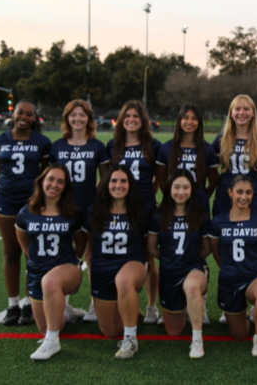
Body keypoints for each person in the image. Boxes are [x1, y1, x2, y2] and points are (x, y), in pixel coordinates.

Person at [0, 99, 51, 326]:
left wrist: (37, 198)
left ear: (35, 118)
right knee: (11, 252)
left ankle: (28, 303)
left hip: (32, 203)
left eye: (29, 114)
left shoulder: (42, 142)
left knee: (31, 254)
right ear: (13, 114)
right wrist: (5, 191)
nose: (24, 117)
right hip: (6, 202)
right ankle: (12, 304)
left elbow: (45, 173)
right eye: (20, 113)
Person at [15, 164, 86, 360]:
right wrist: (37, 261)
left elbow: (81, 243)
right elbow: (23, 241)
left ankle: (53, 342)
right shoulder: (26, 212)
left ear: (65, 187)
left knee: (51, 283)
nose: (54, 184)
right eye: (51, 179)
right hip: (37, 271)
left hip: (66, 268)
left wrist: (72, 263)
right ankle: (66, 312)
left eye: (60, 181)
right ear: (42, 181)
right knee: (47, 327)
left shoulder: (71, 212)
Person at [50, 99, 110, 322]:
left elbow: (105, 179)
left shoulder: (97, 146)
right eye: (73, 115)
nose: (78, 118)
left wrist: (98, 202)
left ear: (89, 119)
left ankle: (95, 303)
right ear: (67, 118)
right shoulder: (58, 146)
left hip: (89, 208)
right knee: (63, 255)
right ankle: (63, 305)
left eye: (82, 115)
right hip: (64, 209)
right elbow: (51, 179)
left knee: (92, 256)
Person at [82, 165, 148, 359]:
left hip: (132, 264)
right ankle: (131, 309)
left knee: (124, 280)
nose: (118, 185)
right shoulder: (94, 211)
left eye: (123, 181)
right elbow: (90, 246)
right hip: (103, 269)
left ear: (130, 185)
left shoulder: (139, 211)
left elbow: (145, 245)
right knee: (110, 331)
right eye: (114, 181)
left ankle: (130, 339)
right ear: (106, 184)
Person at [106, 100, 162, 324]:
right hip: (119, 208)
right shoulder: (113, 145)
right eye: (127, 116)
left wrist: (146, 197)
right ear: (121, 120)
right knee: (121, 255)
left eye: (136, 116)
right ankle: (125, 301)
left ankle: (151, 305)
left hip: (145, 207)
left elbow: (159, 177)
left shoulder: (153, 145)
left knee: (148, 257)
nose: (131, 120)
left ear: (143, 121)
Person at [208, 175, 257, 357]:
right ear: (230, 192)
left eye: (248, 192)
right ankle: (244, 312)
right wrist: (229, 268)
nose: (244, 197)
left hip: (254, 275)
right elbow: (217, 253)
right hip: (230, 279)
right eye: (239, 192)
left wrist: (256, 267)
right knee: (239, 334)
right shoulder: (218, 221)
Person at [148, 169, 210, 358]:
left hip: (193, 268)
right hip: (169, 272)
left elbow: (206, 249)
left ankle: (197, 339)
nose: (180, 192)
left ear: (192, 190)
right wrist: (170, 259)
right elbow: (152, 248)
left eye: (185, 187)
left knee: (192, 286)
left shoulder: (199, 215)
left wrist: (190, 260)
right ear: (169, 189)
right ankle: (187, 306)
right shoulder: (158, 217)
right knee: (174, 331)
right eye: (176, 187)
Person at [212, 94, 257, 216]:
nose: (241, 113)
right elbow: (211, 169)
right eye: (237, 109)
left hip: (254, 196)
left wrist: (256, 186)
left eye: (246, 109)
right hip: (225, 195)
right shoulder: (221, 138)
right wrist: (224, 183)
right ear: (231, 113)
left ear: (253, 113)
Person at [156, 103, 218, 218]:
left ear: (199, 122)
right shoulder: (166, 148)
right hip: (173, 203)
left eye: (194, 118)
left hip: (199, 204)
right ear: (180, 120)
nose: (189, 122)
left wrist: (202, 196)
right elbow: (161, 179)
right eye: (185, 117)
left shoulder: (207, 149)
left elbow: (214, 180)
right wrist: (172, 196)